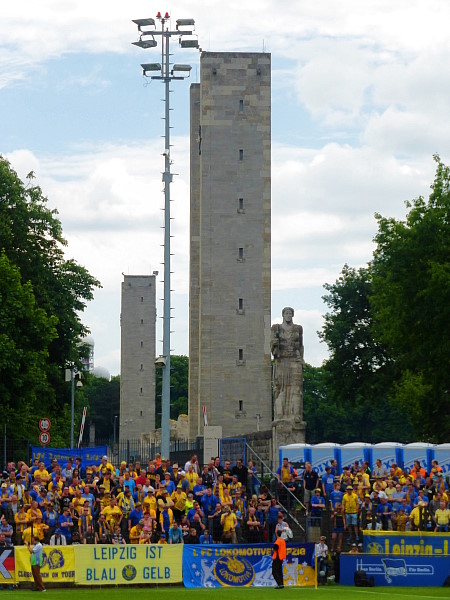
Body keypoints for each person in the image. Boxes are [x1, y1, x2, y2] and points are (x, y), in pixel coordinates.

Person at [270, 307, 304, 419]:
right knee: (280, 388)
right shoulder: (276, 328)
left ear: (293, 315)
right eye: (286, 313)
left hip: (295, 360)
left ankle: (296, 415)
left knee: (296, 388)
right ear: (283, 315)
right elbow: (272, 347)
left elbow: (301, 346)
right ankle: (280, 416)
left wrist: (301, 360)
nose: (288, 315)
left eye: (290, 313)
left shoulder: (298, 328)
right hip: (281, 360)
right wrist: (274, 344)